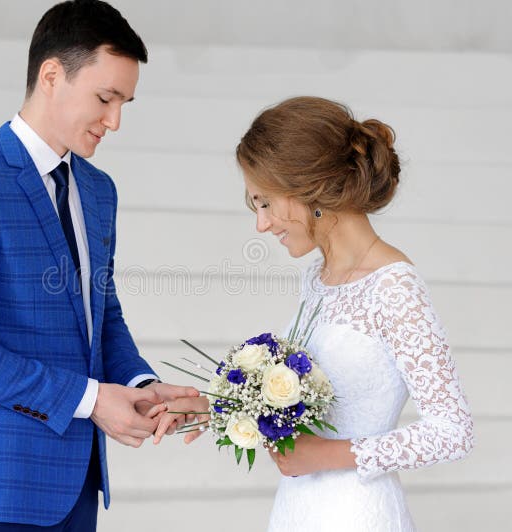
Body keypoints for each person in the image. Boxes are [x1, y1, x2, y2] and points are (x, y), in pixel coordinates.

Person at [0, 1, 196, 530]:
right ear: (51, 75)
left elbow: (101, 314)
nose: (114, 121)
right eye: (106, 98)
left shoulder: (98, 189)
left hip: (76, 492)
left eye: (125, 103)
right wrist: (91, 401)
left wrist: (140, 385)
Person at [156, 96, 474, 531]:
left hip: (358, 514)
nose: (261, 224)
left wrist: (324, 455)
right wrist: (217, 407)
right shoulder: (318, 278)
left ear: (311, 190)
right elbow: (311, 395)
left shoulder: (395, 286)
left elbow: (452, 430)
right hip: (298, 509)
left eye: (265, 202)